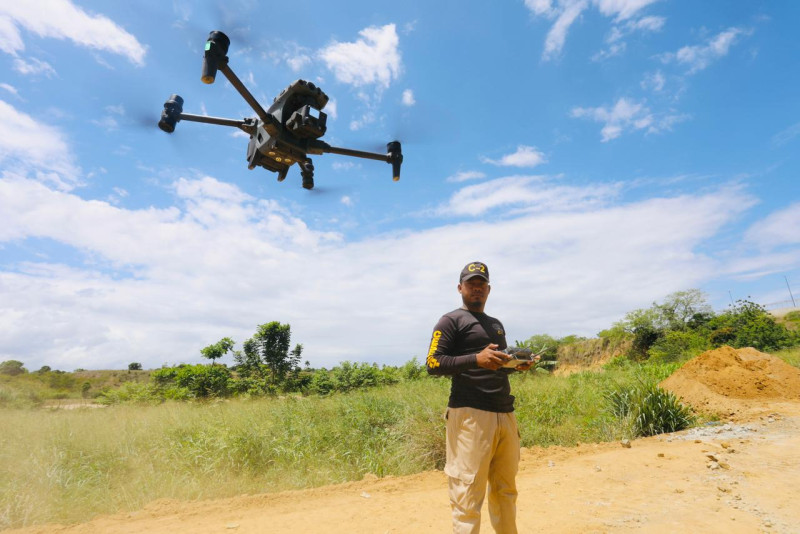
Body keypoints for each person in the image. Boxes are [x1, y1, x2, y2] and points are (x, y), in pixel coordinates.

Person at [426, 261, 538, 534]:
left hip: (504, 413)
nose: (477, 288)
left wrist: (515, 365)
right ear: (460, 288)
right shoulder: (450, 320)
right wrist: (476, 358)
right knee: (467, 495)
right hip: (470, 415)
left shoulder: (495, 325)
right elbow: (433, 363)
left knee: (506, 490)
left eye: (481, 284)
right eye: (471, 283)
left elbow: (493, 366)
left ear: (489, 289)